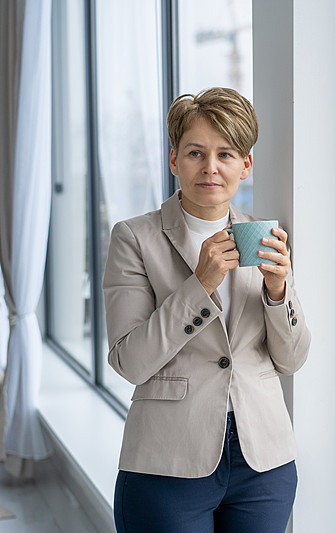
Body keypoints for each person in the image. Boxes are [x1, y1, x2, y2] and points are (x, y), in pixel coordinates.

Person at [102, 87, 311, 533]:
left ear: (246, 165)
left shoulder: (264, 237)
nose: (211, 168)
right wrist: (200, 285)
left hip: (264, 464)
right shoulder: (134, 239)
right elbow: (129, 360)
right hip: (166, 463)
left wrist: (279, 292)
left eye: (226, 154)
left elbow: (291, 359)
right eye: (196, 153)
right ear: (175, 160)